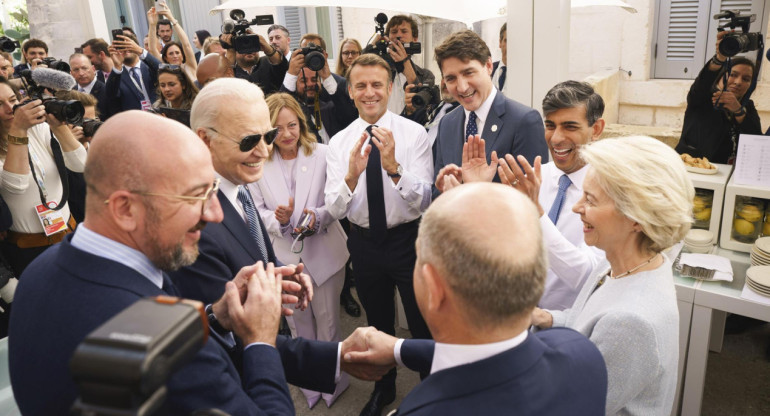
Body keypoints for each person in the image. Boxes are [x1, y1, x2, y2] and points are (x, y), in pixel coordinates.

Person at [7, 110, 371, 416]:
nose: (214, 214)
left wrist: (215, 318)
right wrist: (260, 341)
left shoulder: (41, 271)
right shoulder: (162, 339)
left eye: (213, 192)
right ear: (125, 208)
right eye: (197, 196)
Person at [344, 183, 609, 415]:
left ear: (435, 288)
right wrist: (399, 350)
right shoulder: (581, 352)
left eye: (418, 258)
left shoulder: (424, 408)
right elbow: (486, 354)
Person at [523, 136, 692, 415]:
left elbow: (568, 406)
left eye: (590, 199)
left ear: (636, 217)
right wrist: (547, 318)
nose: (578, 207)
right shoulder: (625, 262)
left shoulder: (629, 322)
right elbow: (588, 326)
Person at [325, 53, 433, 416]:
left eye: (376, 85)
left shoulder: (414, 134)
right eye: (361, 86)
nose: (369, 92)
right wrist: (352, 175)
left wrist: (394, 167)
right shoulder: (339, 143)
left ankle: (429, 390)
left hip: (409, 240)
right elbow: (335, 208)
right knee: (378, 320)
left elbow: (424, 200)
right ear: (351, 92)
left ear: (390, 88)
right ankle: (384, 388)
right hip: (364, 243)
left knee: (421, 320)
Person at [250, 93, 350, 409]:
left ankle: (334, 380)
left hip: (325, 253)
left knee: (329, 321)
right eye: (278, 129)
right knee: (298, 324)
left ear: (301, 122)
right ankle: (309, 381)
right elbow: (256, 209)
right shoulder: (258, 163)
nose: (288, 134)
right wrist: (275, 219)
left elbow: (337, 199)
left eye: (292, 125)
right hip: (285, 255)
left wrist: (318, 215)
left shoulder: (322, 153)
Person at [432, 30, 547, 198]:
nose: (462, 87)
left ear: (488, 66)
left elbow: (532, 200)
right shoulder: (447, 123)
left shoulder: (524, 121)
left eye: (468, 73)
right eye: (451, 79)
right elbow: (437, 194)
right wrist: (447, 193)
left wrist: (474, 194)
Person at [0, 80, 86, 275]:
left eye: (13, 100)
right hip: (28, 250)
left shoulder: (38, 129)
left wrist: (58, 126)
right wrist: (19, 131)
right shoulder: (24, 129)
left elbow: (80, 164)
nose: (9, 109)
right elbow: (16, 184)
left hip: (69, 234)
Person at [675, 31, 761, 164]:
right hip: (694, 170)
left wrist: (738, 111)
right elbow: (703, 83)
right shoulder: (703, 98)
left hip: (726, 176)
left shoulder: (747, 106)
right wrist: (720, 57)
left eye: (746, 79)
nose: (738, 82)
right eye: (733, 75)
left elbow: (756, 141)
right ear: (720, 76)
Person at [280, 33, 357, 144]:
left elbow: (349, 117)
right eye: (303, 81)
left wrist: (326, 76)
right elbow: (279, 108)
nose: (310, 84)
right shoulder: (294, 110)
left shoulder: (330, 107)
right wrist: (291, 73)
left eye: (314, 79)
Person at [364, 15, 435, 117]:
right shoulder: (377, 70)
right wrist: (370, 49)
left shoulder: (426, 75)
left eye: (404, 31)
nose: (399, 35)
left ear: (414, 39)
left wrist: (405, 62)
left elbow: (424, 110)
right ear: (388, 38)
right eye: (394, 32)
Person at [105, 33, 161, 112]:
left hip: (159, 116)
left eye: (128, 45)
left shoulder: (149, 67)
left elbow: (162, 70)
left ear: (136, 46)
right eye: (121, 47)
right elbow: (110, 95)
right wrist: (117, 66)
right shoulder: (117, 76)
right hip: (134, 120)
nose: (126, 49)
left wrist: (140, 51)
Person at [223, 30, 287, 95]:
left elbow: (281, 64)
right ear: (235, 50)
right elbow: (223, 84)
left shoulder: (268, 62)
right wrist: (230, 51)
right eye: (243, 46)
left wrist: (267, 47)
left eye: (251, 44)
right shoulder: (232, 71)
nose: (249, 50)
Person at [147, 6, 198, 83]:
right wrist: (152, 25)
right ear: (166, 58)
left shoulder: (189, 66)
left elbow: (186, 44)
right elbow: (152, 49)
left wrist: (171, 18)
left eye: (177, 52)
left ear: (182, 55)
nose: (175, 56)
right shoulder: (165, 68)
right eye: (171, 54)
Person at [69, 53, 110, 119]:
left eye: (84, 68)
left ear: (93, 69)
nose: (81, 73)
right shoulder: (70, 94)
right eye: (76, 70)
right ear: (71, 73)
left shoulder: (107, 92)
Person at [492, 23, 507, 94]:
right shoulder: (488, 69)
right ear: (500, 43)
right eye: (506, 41)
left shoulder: (523, 74)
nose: (509, 46)